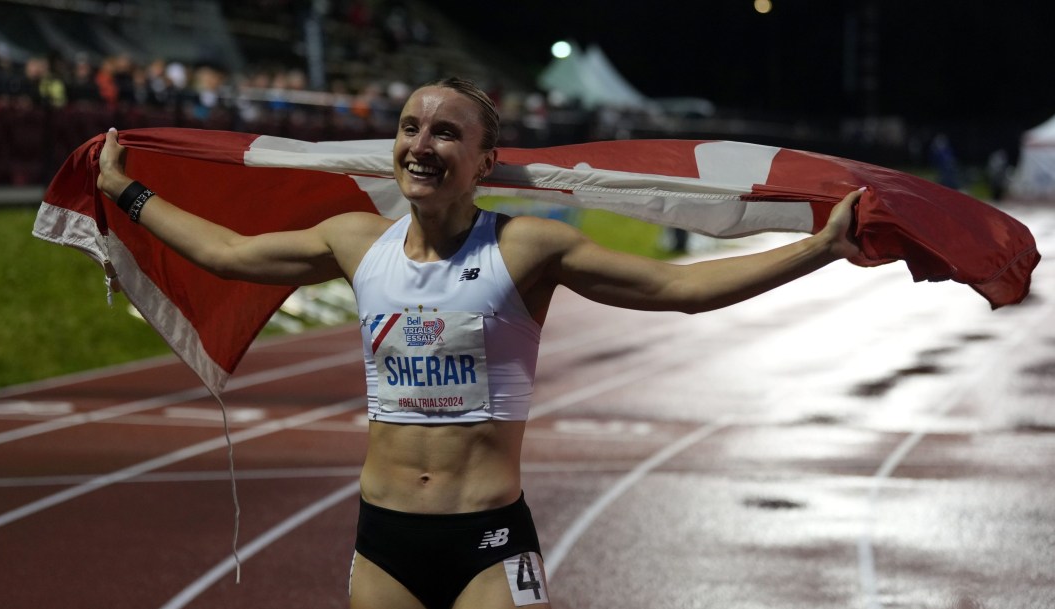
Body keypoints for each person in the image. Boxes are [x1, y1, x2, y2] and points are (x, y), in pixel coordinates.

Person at [97, 77, 862, 609]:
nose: (421, 143)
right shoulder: (357, 242)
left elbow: (681, 290)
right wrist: (125, 193)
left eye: (445, 132)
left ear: (486, 163)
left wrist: (819, 250)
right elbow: (229, 254)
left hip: (489, 538)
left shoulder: (526, 248)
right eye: (409, 127)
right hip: (385, 535)